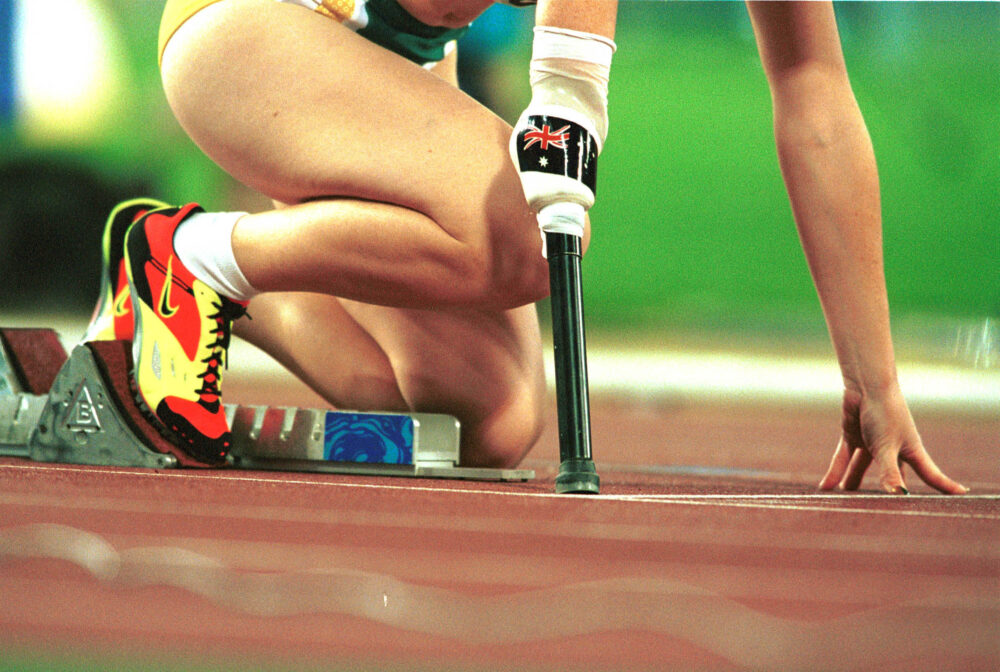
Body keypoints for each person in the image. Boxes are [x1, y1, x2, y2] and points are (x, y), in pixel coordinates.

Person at [89, 0, 966, 493]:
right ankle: (190, 260)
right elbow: (565, 101)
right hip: (254, 26)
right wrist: (568, 99)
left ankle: (211, 270)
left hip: (390, 63)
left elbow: (813, 89)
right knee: (521, 239)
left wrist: (875, 381)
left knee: (489, 421)